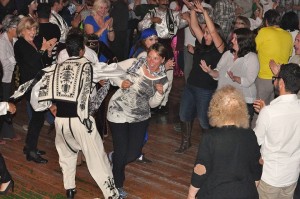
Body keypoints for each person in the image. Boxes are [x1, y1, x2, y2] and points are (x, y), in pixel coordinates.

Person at [18, 29, 122, 199]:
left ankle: (70, 190)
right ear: (82, 49)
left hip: (61, 121)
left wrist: (49, 105)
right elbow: (114, 71)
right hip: (82, 121)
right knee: (97, 158)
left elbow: (36, 90)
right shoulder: (90, 67)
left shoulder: (55, 68)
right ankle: (111, 195)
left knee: (67, 156)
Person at [107, 43, 169, 197]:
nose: (151, 61)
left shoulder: (163, 80)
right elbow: (111, 69)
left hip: (139, 116)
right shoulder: (135, 64)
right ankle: (117, 186)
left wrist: (159, 94)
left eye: (156, 58)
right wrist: (120, 82)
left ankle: (112, 158)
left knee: (133, 154)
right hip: (118, 111)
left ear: (162, 60)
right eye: (149, 56)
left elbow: (153, 104)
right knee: (122, 152)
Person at [187, 85, 262, 199]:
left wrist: (191, 194)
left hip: (216, 193)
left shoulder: (210, 137)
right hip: (245, 192)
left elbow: (201, 169)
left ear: (216, 108)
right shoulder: (250, 134)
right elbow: (257, 166)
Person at [175, 0, 225, 154]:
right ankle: (186, 142)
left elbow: (213, 31)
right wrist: (191, 10)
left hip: (205, 89)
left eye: (208, 33)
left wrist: (203, 12)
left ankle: (208, 147)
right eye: (206, 33)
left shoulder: (220, 48)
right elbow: (195, 27)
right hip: (191, 85)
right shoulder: (202, 42)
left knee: (204, 121)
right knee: (184, 114)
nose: (206, 34)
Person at [254, 63, 300, 199]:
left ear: (281, 83)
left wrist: (263, 113)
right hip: (292, 175)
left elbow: (256, 140)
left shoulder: (269, 113)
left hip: (271, 177)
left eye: (276, 78)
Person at [14, 17, 56, 163]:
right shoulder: (20, 44)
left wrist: (49, 52)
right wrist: (43, 50)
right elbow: (31, 63)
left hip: (39, 83)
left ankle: (29, 146)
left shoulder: (34, 42)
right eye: (29, 29)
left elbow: (43, 62)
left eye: (35, 29)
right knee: (37, 118)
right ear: (22, 30)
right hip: (30, 85)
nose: (33, 32)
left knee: (37, 118)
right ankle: (31, 151)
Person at [201, 28, 259, 124]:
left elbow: (249, 81)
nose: (232, 40)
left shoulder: (251, 57)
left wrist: (235, 78)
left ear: (244, 41)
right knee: (221, 127)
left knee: (239, 132)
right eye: (233, 38)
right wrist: (210, 71)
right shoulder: (228, 54)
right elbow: (218, 73)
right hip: (224, 98)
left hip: (243, 101)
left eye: (235, 39)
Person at [0, 15, 20, 142]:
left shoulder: (15, 40)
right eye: (17, 27)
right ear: (10, 28)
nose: (19, 29)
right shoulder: (2, 42)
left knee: (8, 104)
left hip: (11, 76)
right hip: (4, 78)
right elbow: (4, 62)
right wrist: (16, 61)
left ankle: (7, 132)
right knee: (3, 104)